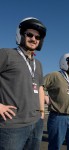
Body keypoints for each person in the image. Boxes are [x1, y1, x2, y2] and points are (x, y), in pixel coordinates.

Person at [0, 17, 46, 150]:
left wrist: (42, 113)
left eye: (37, 37)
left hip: (36, 123)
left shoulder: (38, 64)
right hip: (12, 127)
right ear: (21, 34)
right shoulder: (6, 54)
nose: (34, 39)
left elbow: (40, 87)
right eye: (30, 34)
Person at [43, 53, 69, 150]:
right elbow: (40, 85)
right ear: (64, 63)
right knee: (55, 146)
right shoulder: (55, 75)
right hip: (58, 117)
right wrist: (45, 97)